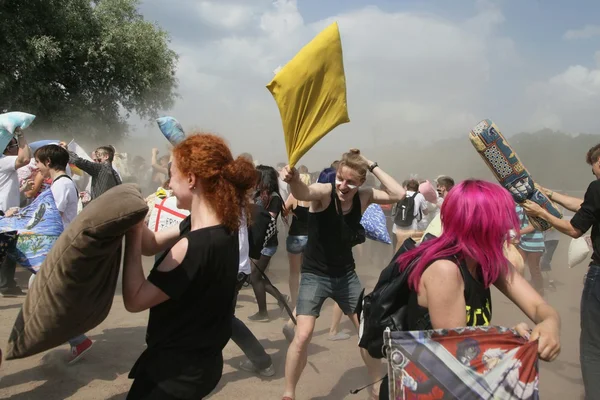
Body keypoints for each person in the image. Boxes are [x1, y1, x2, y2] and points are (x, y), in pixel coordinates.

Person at [378, 179, 561, 399]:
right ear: (480, 222)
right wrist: (510, 337)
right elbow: (460, 360)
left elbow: (538, 305)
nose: (508, 228)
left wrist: (549, 323)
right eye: (502, 219)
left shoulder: (487, 260)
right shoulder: (445, 271)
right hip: (426, 388)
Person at [122, 134, 257, 399]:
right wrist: (136, 221)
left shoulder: (193, 246)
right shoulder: (219, 228)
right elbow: (151, 245)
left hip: (173, 374)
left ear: (192, 179)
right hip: (203, 363)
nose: (168, 183)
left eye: (172, 175)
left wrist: (128, 238)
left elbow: (135, 300)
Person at [280, 149, 405, 400]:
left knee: (365, 332)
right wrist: (293, 178)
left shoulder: (364, 196)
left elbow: (398, 194)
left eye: (350, 181)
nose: (343, 185)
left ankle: (373, 386)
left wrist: (371, 163)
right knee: (303, 334)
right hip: (315, 275)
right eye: (340, 178)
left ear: (360, 183)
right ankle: (288, 394)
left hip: (346, 276)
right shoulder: (326, 193)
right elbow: (304, 193)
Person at [523, 143, 600, 399]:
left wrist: (541, 212)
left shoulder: (598, 187)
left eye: (596, 167)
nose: (595, 174)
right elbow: (586, 206)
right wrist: (550, 194)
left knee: (592, 345)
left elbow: (575, 229)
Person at [34, 144, 94, 363]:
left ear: (48, 163)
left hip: (59, 245)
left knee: (45, 293)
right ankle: (76, 336)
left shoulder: (61, 185)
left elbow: (51, 216)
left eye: (38, 162)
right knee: (42, 290)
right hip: (58, 245)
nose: (36, 166)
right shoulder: (61, 182)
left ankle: (78, 338)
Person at [248, 165, 290, 322]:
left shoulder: (274, 198)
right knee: (256, 276)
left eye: (256, 177)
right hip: (257, 242)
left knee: (254, 276)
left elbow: (266, 221)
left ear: (264, 179)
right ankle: (281, 298)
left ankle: (263, 312)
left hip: (267, 243)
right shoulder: (258, 195)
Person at [0, 129, 31, 297]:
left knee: (8, 250)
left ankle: (7, 284)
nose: (17, 148)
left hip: (6, 211)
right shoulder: (3, 161)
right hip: (5, 213)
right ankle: (6, 286)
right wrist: (21, 136)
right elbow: (25, 158)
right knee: (7, 251)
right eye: (14, 145)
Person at [515, 203, 545, 295]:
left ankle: (539, 291)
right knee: (517, 266)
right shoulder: (516, 208)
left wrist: (516, 232)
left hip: (535, 244)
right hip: (522, 243)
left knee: (534, 269)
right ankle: (519, 291)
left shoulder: (532, 207)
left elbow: (532, 226)